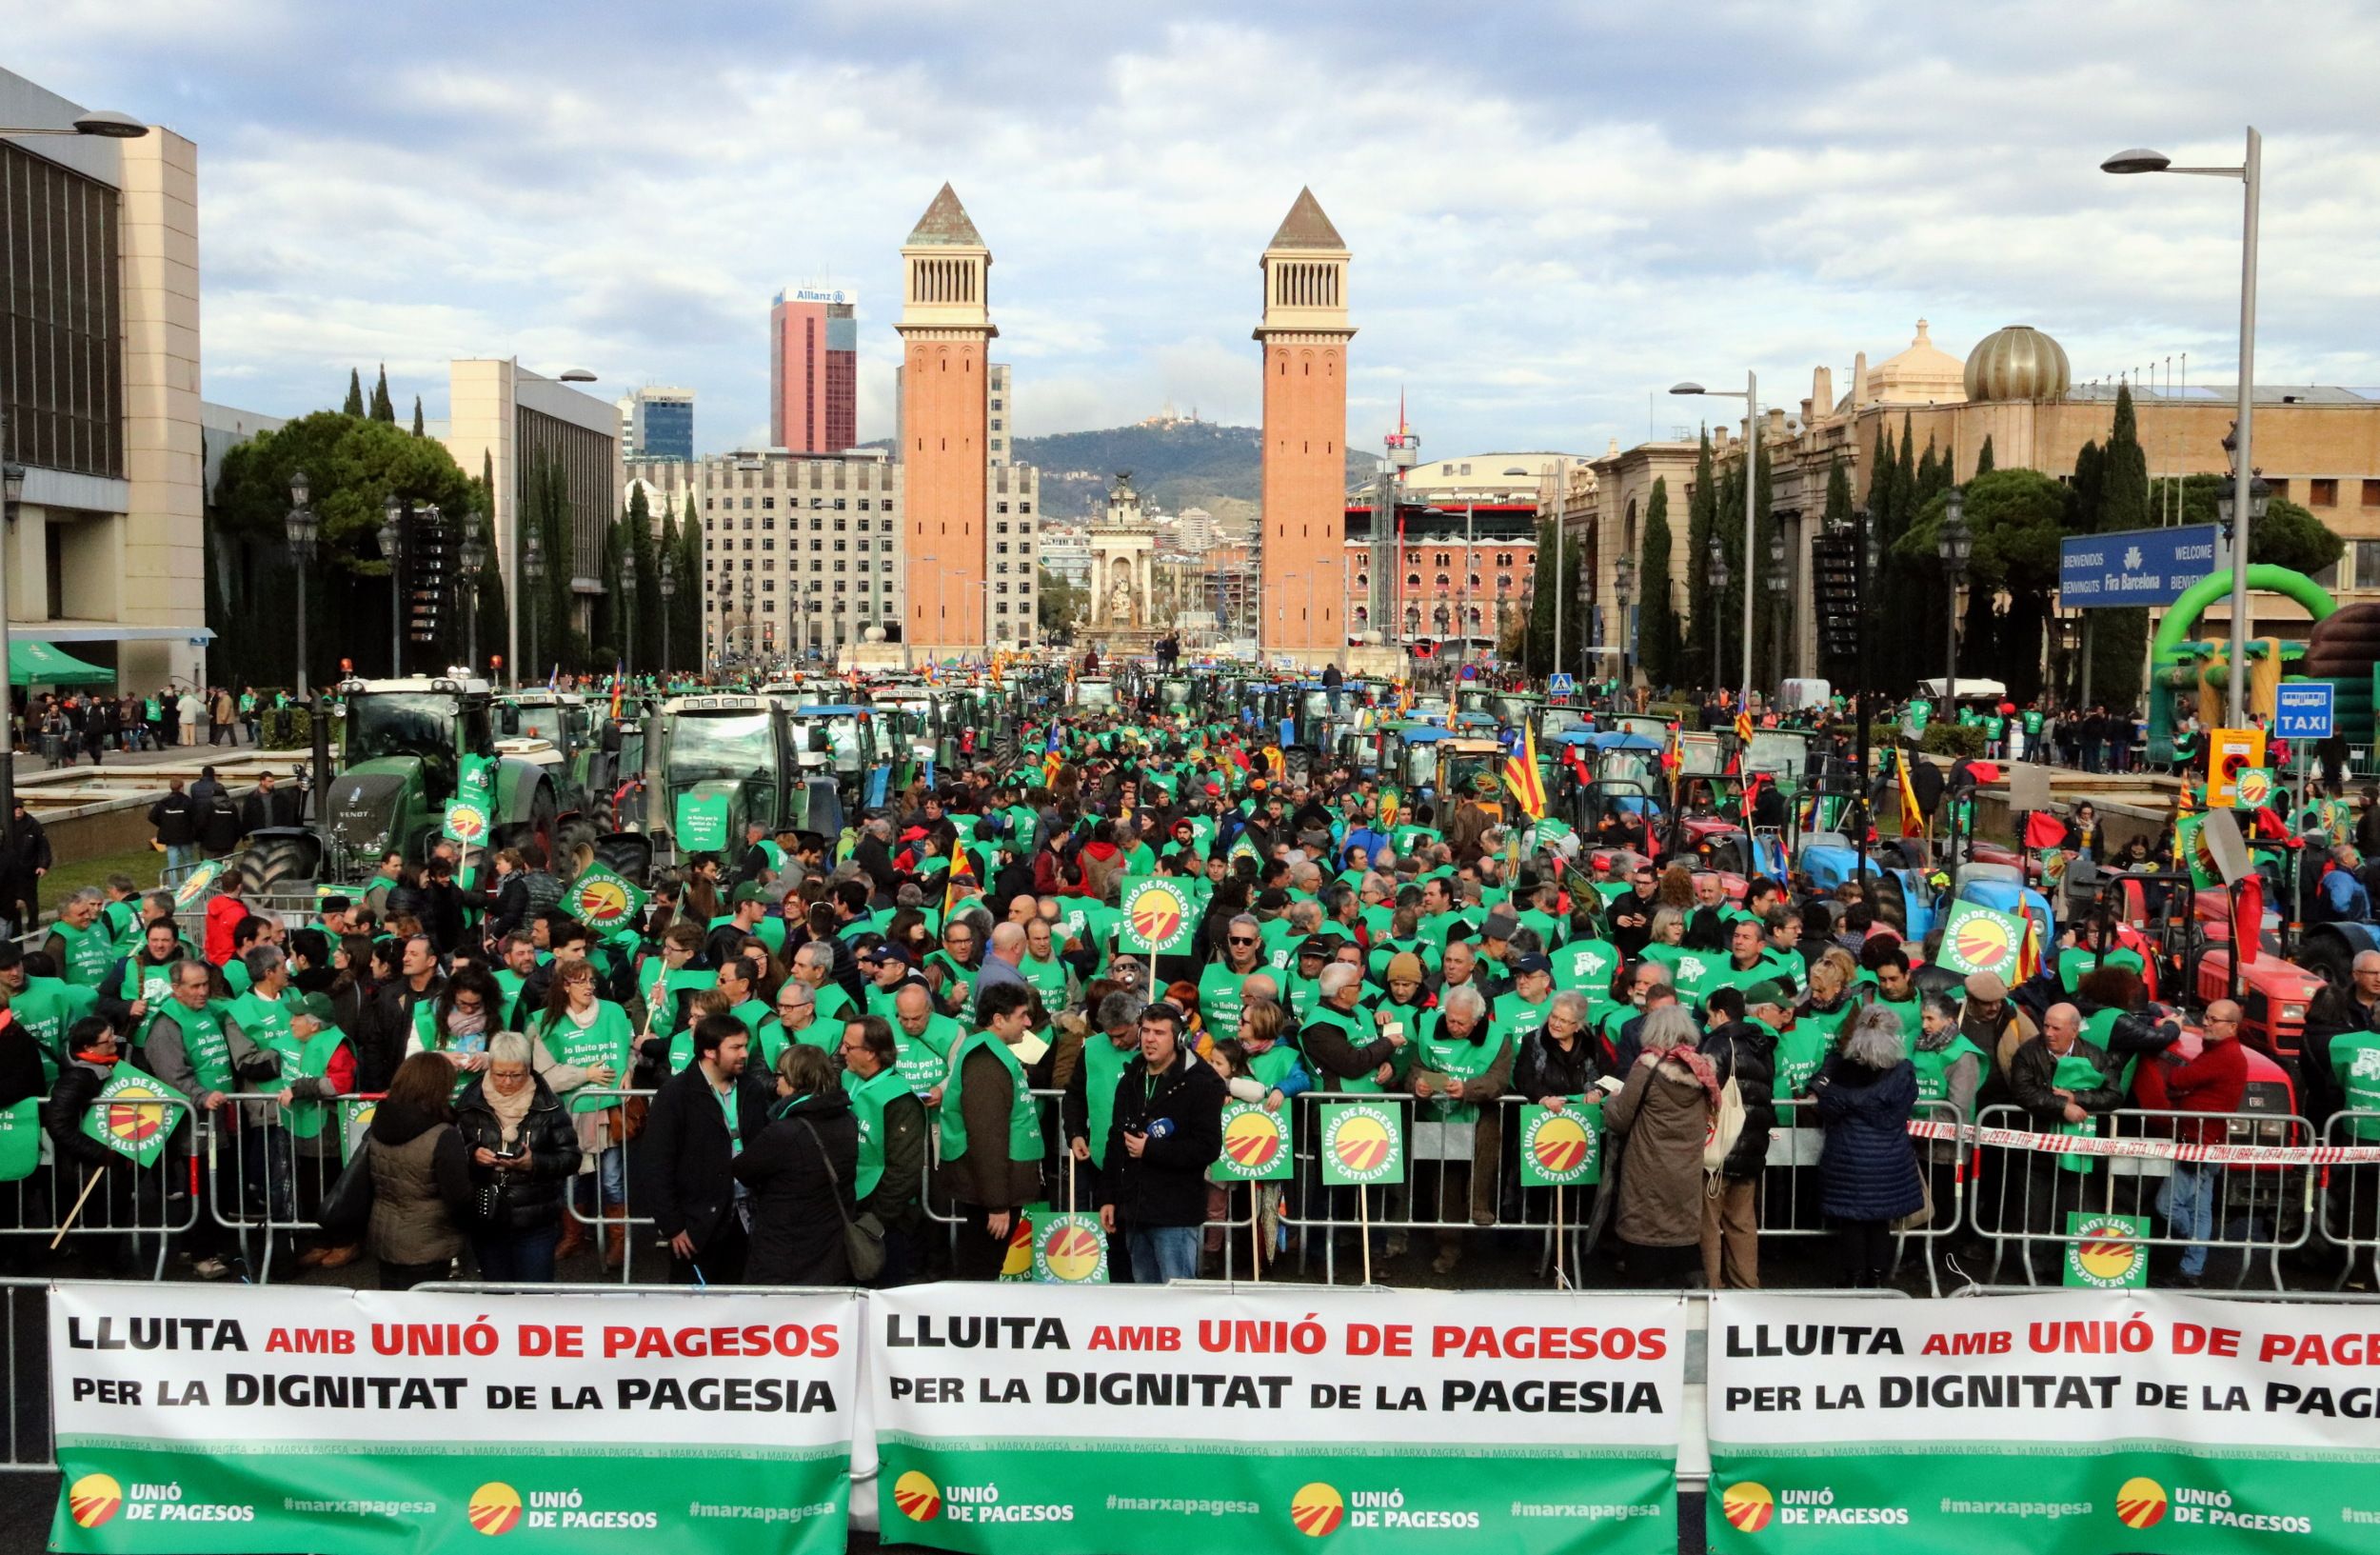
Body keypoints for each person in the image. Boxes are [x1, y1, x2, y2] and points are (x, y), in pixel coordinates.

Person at [640, 1012, 772, 1285]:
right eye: (735, 1047)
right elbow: (656, 1165)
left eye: (745, 1046)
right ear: (710, 1051)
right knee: (693, 1311)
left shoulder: (752, 1089)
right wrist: (673, 1226)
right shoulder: (675, 1095)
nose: (744, 1054)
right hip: (698, 1224)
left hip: (748, 1218)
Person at [1099, 1002, 1224, 1283]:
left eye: (1159, 1032)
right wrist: (1108, 1196)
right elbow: (1116, 1139)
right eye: (1146, 1031)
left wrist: (1151, 1150)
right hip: (1134, 1209)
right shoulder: (1131, 1079)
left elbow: (1207, 1147)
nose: (1149, 1039)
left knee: (1178, 1298)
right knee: (1145, 1302)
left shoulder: (1201, 1084)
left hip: (1175, 1214)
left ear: (1179, 1039)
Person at [1809, 1004, 1925, 1288]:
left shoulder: (1840, 1067)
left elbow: (1827, 1108)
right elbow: (1902, 1110)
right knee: (1879, 1223)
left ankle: (1853, 1278)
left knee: (1852, 1223)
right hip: (1889, 1158)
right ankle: (1876, 1279)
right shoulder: (1903, 1072)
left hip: (1847, 1157)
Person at [453, 1032, 583, 1283]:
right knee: (497, 1297)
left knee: (536, 1300)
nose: (508, 1082)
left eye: (516, 1075)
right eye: (500, 1074)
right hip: (487, 1216)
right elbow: (453, 1151)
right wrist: (473, 1155)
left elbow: (571, 1158)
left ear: (529, 1069)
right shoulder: (470, 1102)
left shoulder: (549, 1105)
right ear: (489, 1068)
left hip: (536, 1220)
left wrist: (534, 1164)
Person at [1601, 1006, 1716, 1286]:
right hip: (1687, 1170)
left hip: (1647, 1169)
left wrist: (1613, 1098)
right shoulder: (1703, 1072)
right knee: (1682, 1243)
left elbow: (1620, 1118)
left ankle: (1649, 1313)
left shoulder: (1646, 1068)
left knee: (1645, 1246)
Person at [939, 980, 1045, 1280]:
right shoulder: (986, 1061)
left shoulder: (991, 1053)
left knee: (981, 1268)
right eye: (1022, 1015)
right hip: (991, 1194)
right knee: (980, 1272)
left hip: (992, 1188)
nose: (1028, 1022)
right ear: (998, 1020)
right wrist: (997, 1204)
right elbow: (988, 1137)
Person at [2137, 999, 2247, 1286]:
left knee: (2167, 1205)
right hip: (2204, 1141)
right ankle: (2192, 1268)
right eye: (2207, 1017)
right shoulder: (2222, 1052)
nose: (2206, 1023)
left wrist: (2181, 1086)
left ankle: (2195, 1249)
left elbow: (2179, 1078)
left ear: (2232, 1027)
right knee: (2200, 1208)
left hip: (2199, 1143)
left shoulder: (2223, 1056)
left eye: (2214, 1020)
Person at [734, 1044, 861, 1286]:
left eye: (779, 1075)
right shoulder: (846, 1119)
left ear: (794, 1079)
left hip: (785, 1247)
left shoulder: (784, 1131)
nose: (776, 1083)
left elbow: (743, 1169)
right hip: (831, 1245)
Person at [366, 1051, 473, 1288]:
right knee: (423, 1319)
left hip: (385, 1234)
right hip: (428, 1242)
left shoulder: (380, 1121)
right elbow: (458, 1196)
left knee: (391, 1316)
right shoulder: (442, 1134)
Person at [839, 1014, 928, 1283]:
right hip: (850, 1209)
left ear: (871, 1053)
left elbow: (905, 1170)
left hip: (883, 1223)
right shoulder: (845, 1080)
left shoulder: (900, 1099)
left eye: (849, 1047)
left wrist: (876, 1220)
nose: (842, 1052)